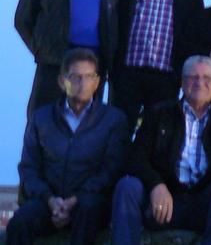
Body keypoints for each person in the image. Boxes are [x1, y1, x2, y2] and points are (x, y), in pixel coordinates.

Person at [110, 55, 211, 245]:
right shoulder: (159, 113)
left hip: (204, 205)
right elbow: (135, 157)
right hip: (162, 206)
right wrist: (156, 184)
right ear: (182, 82)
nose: (199, 82)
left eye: (207, 79)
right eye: (193, 77)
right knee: (127, 186)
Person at [9, 48, 129, 245]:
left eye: (89, 77)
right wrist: (50, 200)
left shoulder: (113, 120)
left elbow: (110, 170)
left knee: (88, 209)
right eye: (75, 77)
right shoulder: (42, 118)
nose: (82, 83)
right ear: (62, 82)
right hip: (49, 201)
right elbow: (29, 168)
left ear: (97, 82)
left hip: (89, 203)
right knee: (19, 223)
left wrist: (74, 200)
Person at [112, 0, 206, 127]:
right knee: (119, 130)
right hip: (128, 70)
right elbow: (115, 20)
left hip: (166, 73)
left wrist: (183, 70)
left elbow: (195, 28)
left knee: (159, 134)